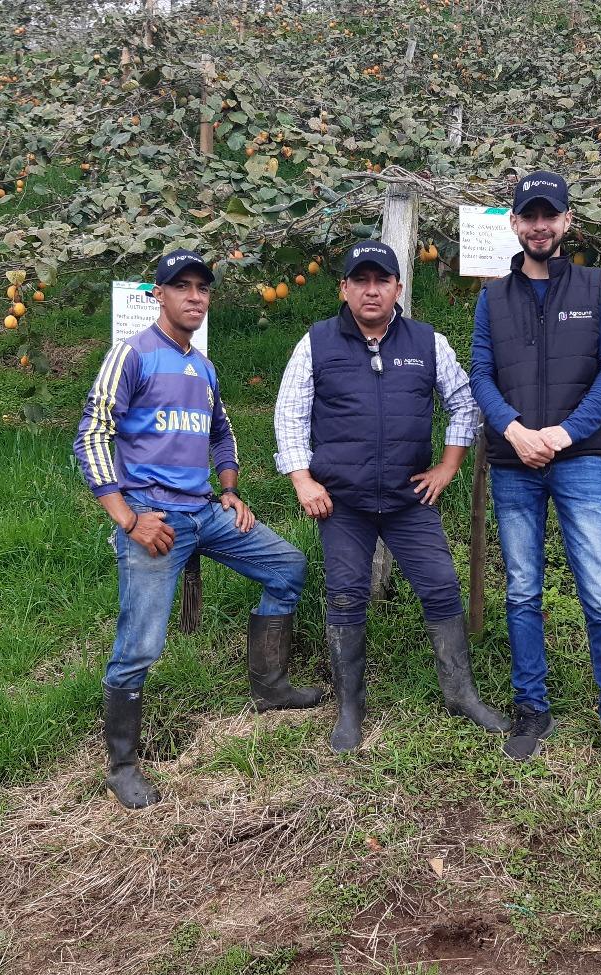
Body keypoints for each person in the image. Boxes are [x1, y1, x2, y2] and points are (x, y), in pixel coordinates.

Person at [74, 249, 320, 809]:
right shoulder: (131, 355)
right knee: (141, 644)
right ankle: (121, 762)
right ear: (156, 295)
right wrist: (128, 518)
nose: (193, 297)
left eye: (202, 289)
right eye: (180, 287)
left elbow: (222, 433)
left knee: (287, 566)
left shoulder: (203, 367)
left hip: (206, 511)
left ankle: (270, 685)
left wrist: (229, 489)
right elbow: (92, 434)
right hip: (153, 520)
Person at [274, 240, 509, 752]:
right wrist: (302, 480)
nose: (372, 289)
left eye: (382, 280)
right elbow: (289, 413)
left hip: (409, 500)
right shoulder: (316, 343)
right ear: (344, 288)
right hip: (343, 503)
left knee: (442, 588)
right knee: (345, 596)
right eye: (361, 280)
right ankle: (349, 707)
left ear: (399, 288)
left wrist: (448, 466)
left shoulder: (427, 342)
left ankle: (461, 693)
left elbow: (465, 404)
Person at [469, 171, 601, 784]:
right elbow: (481, 372)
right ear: (515, 224)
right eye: (530, 216)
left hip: (578, 461)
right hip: (514, 463)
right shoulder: (492, 298)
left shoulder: (597, 287)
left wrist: (565, 433)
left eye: (550, 215)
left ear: (568, 222)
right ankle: (532, 709)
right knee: (523, 589)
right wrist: (515, 430)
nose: (540, 225)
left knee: (600, 592)